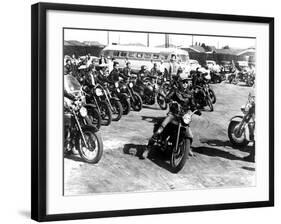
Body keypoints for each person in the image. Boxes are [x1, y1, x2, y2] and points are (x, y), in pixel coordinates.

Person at [142, 72, 200, 158]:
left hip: (183, 116)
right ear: (179, 82)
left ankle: (187, 148)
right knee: (159, 130)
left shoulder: (190, 93)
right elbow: (167, 98)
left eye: (186, 82)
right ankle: (148, 149)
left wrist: (196, 109)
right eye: (183, 82)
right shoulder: (175, 90)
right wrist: (170, 101)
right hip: (173, 114)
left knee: (190, 135)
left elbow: (193, 104)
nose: (185, 84)